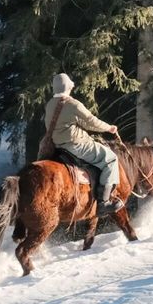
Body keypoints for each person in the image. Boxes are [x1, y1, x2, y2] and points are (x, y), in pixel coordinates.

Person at [45, 72, 124, 214]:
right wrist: (109, 128)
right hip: (76, 144)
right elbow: (91, 121)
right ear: (69, 87)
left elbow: (74, 122)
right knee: (111, 159)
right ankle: (103, 203)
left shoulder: (50, 104)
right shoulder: (73, 105)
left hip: (57, 145)